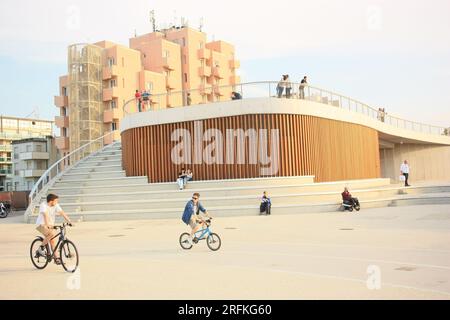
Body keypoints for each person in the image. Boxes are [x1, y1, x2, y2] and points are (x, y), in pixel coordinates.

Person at [35, 194, 73, 265]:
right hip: (41, 224)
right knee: (51, 234)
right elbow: (45, 215)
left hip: (50, 225)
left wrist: (69, 221)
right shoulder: (43, 205)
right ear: (51, 201)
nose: (57, 202)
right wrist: (47, 225)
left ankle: (56, 258)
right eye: (56, 201)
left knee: (53, 241)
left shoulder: (56, 205)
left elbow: (62, 213)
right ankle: (41, 248)